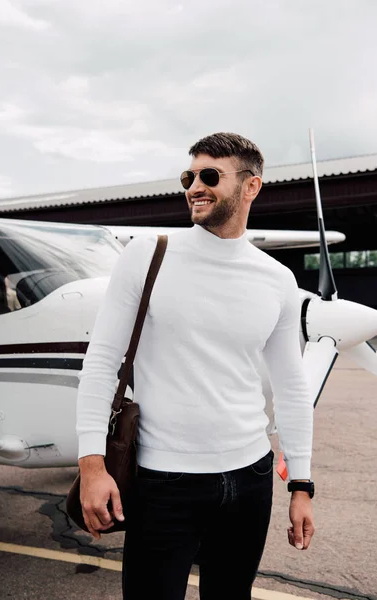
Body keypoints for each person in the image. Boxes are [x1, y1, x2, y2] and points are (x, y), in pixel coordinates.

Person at [76, 132, 315, 599]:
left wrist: (302, 484)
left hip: (251, 478)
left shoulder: (278, 279)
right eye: (189, 176)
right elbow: (102, 361)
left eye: (210, 175)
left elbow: (291, 385)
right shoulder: (147, 256)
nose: (194, 187)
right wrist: (92, 465)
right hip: (164, 481)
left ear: (252, 187)